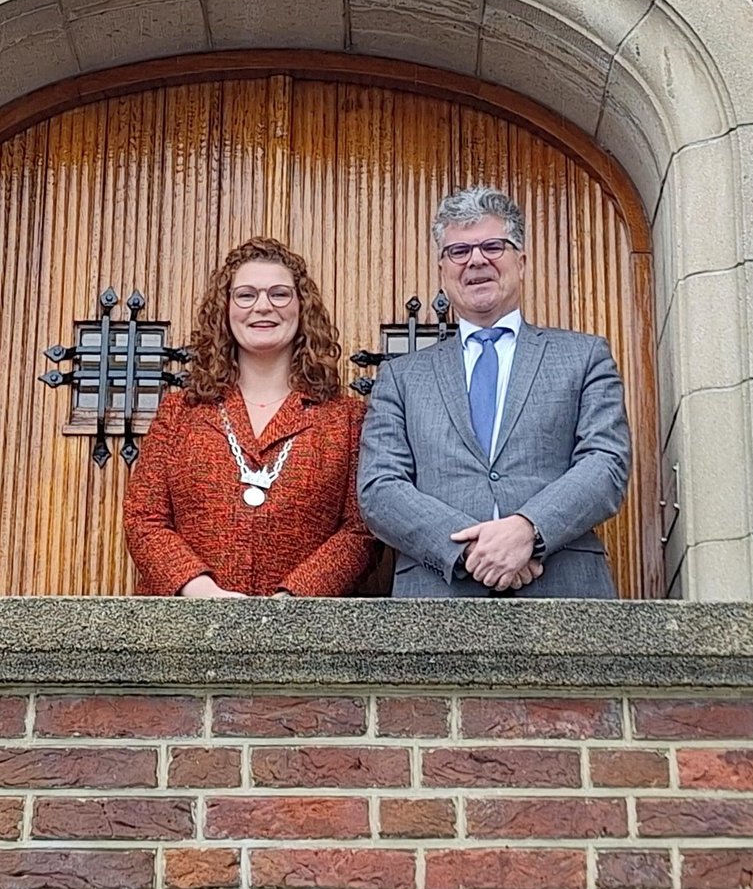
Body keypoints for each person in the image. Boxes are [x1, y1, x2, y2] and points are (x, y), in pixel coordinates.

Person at [357, 186, 632, 597]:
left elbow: (606, 462)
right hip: (439, 597)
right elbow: (380, 489)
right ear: (442, 270)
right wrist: (474, 551)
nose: (476, 260)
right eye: (459, 251)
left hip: (563, 591)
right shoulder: (401, 377)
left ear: (521, 262)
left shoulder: (584, 356)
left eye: (492, 246)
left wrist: (528, 530)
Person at [124, 237, 376, 597]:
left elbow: (360, 530)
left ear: (302, 307)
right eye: (246, 295)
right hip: (186, 620)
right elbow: (144, 517)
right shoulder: (179, 413)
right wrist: (201, 592)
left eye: (279, 294)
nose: (263, 306)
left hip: (304, 624)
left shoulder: (346, 420)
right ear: (225, 309)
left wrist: (293, 598)